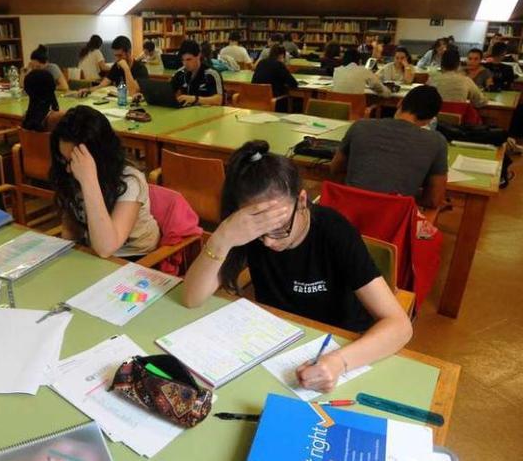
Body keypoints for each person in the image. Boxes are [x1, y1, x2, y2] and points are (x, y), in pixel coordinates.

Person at [182, 140, 412, 392]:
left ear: (302, 200)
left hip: (341, 342)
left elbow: (399, 326)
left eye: (280, 228)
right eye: (259, 231)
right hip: (280, 338)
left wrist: (338, 362)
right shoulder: (246, 230)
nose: (268, 242)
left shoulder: (335, 232)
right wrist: (223, 236)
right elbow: (192, 298)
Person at [49, 106, 160, 258]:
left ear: (99, 157)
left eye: (74, 161)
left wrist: (89, 180)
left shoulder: (130, 180)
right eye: (64, 160)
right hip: (95, 254)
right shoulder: (70, 172)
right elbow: (72, 231)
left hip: (134, 257)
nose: (68, 169)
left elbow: (106, 248)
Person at [330, 86, 448, 208]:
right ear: (429, 120)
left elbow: (335, 168)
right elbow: (434, 200)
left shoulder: (360, 126)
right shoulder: (437, 142)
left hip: (348, 213)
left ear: (400, 102)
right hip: (393, 221)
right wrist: (409, 194)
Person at [80, 36, 148, 96]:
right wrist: (88, 90)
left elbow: (133, 92)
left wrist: (126, 69)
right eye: (116, 55)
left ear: (129, 52)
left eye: (120, 55)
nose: (117, 59)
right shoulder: (116, 66)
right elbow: (102, 85)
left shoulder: (141, 68)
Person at [170, 39, 224, 106]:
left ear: (198, 56)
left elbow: (219, 100)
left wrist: (195, 99)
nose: (185, 64)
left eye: (189, 59)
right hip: (188, 113)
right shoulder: (180, 73)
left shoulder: (211, 74)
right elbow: (169, 91)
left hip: (208, 113)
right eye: (183, 60)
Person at [251, 45, 298, 112]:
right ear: (281, 55)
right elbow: (293, 83)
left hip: (256, 100)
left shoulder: (261, 63)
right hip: (274, 101)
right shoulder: (279, 65)